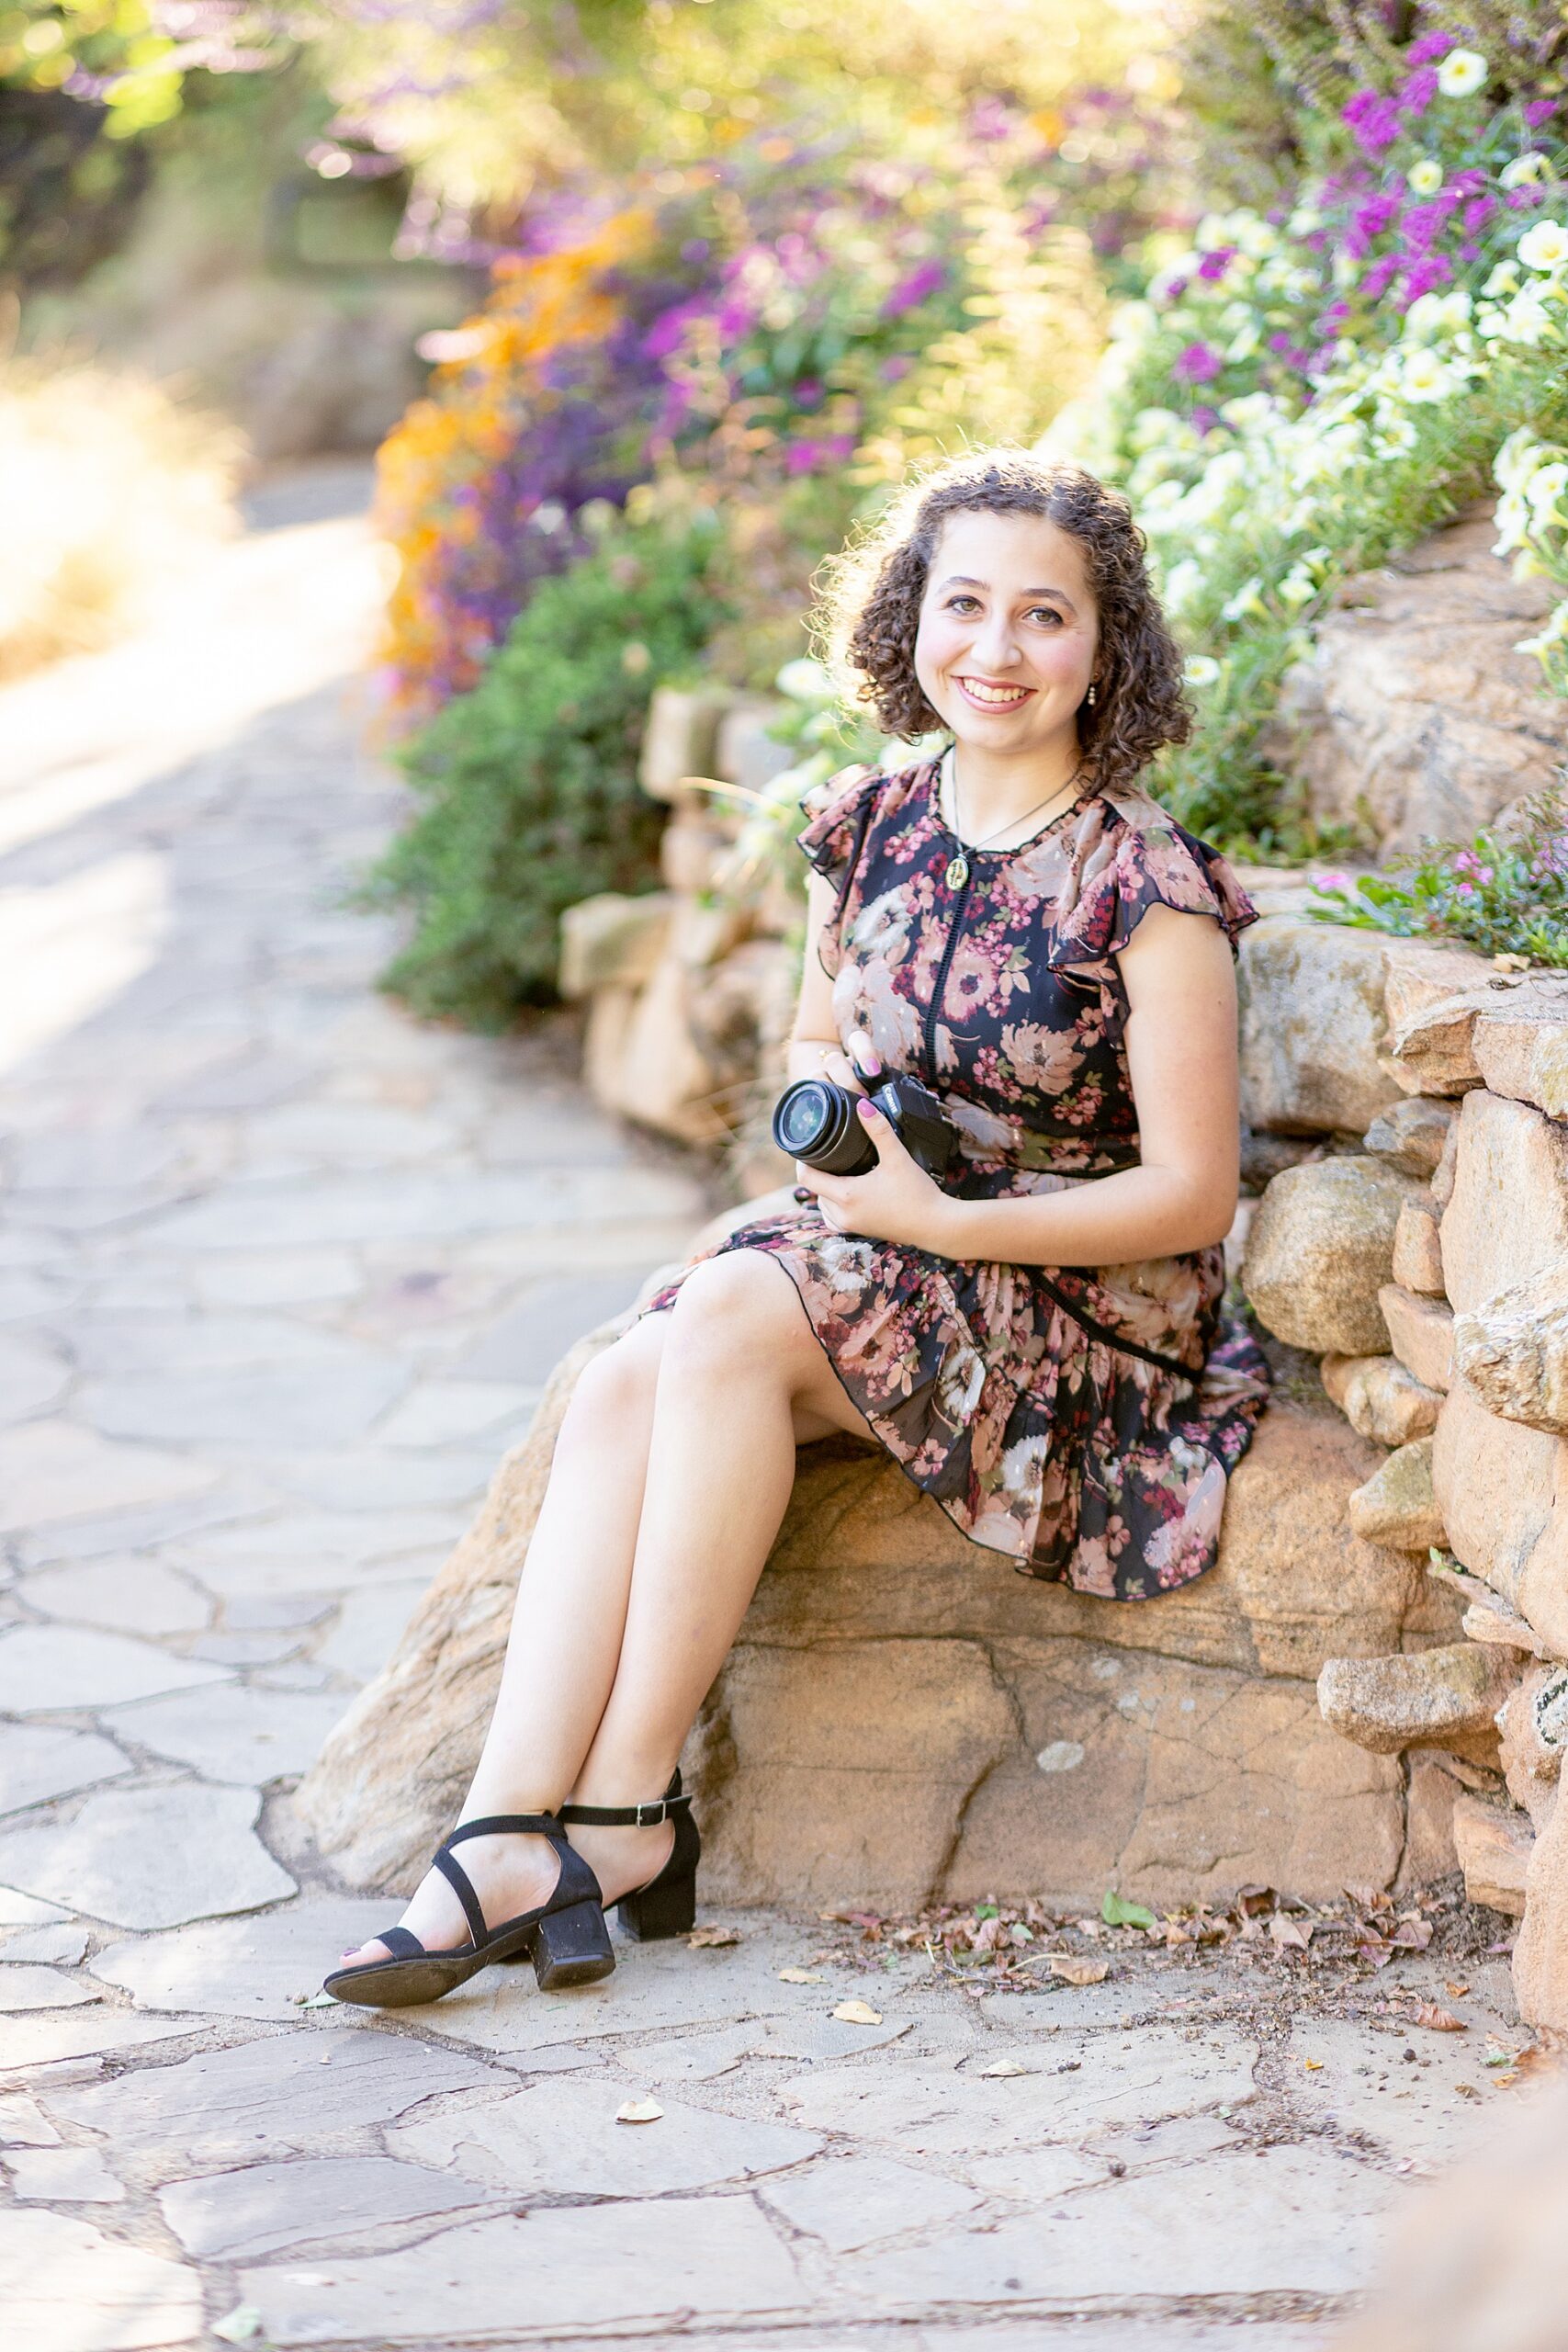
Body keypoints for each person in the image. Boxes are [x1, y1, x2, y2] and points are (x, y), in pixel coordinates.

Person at [325, 448, 1272, 2008]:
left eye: (1046, 616)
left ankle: (620, 1813)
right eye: (963, 603)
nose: (997, 648)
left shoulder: (1146, 885)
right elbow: (815, 1048)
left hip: (1091, 1320)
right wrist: (829, 1147)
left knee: (727, 1318)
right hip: (885, 1252)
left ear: (1109, 650)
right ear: (909, 618)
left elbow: (1191, 1196)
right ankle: (518, 1824)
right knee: (639, 1365)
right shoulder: (865, 825)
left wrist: (920, 1219)